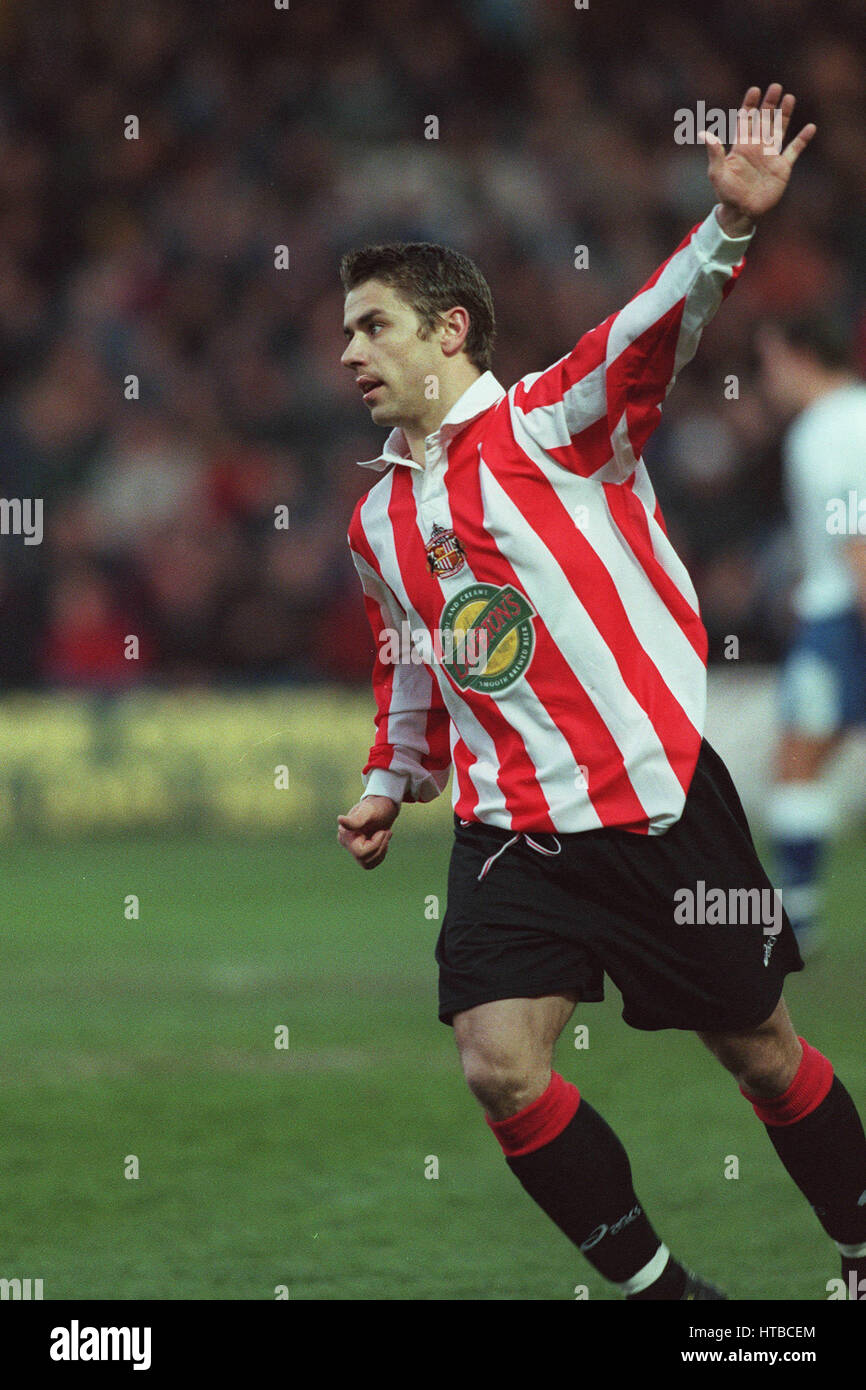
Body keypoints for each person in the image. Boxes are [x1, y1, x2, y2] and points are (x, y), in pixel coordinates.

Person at [337, 86, 866, 1300]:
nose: (351, 354)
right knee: (496, 1066)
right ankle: (673, 1304)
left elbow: (646, 329)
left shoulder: (553, 428)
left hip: (654, 806)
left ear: (450, 332)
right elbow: (407, 651)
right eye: (347, 333)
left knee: (759, 1049)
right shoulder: (374, 517)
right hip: (509, 832)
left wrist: (726, 228)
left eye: (373, 328)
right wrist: (384, 780)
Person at [756, 316, 866, 957]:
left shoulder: (826, 430)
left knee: (796, 762)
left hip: (841, 620)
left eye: (770, 363)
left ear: (800, 355)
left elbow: (856, 530)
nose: (766, 382)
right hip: (838, 612)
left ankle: (795, 918)